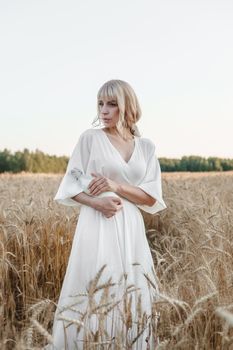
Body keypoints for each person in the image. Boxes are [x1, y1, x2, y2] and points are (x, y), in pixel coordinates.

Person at [45, 79, 167, 349]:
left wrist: (116, 186)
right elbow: (69, 187)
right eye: (100, 103)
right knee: (95, 281)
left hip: (131, 225)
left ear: (127, 107)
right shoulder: (90, 139)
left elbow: (151, 197)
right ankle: (91, 341)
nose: (104, 110)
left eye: (112, 104)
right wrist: (97, 203)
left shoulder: (146, 147)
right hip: (98, 222)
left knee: (133, 286)